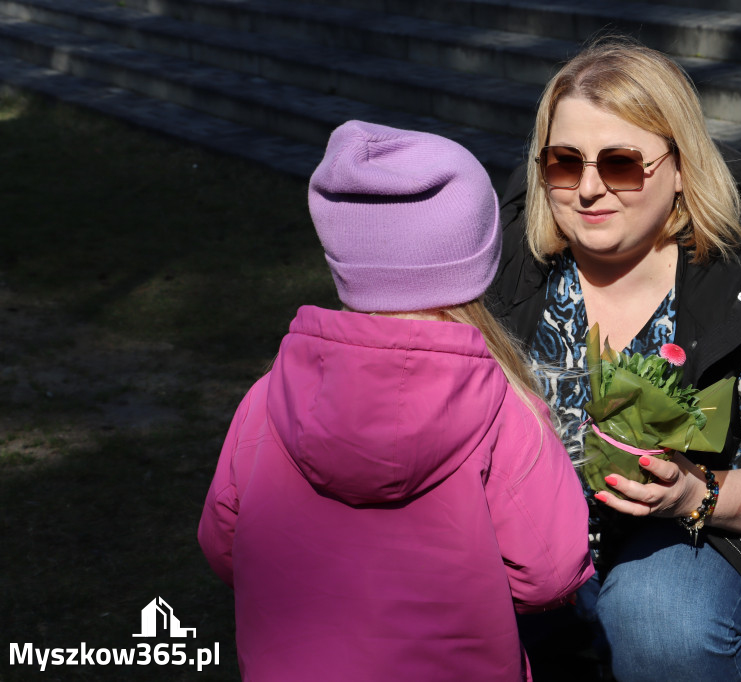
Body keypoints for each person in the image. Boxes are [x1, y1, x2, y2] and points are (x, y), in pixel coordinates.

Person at [487, 38, 741, 682]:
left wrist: (694, 494)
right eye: (565, 163)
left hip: (697, 544)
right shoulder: (509, 273)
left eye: (621, 164)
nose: (589, 189)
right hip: (530, 545)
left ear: (681, 167)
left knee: (658, 618)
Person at [197, 120, 595, 681]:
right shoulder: (506, 411)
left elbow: (224, 544)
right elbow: (551, 573)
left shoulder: (268, 397)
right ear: (475, 256)